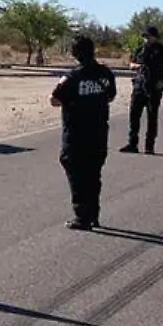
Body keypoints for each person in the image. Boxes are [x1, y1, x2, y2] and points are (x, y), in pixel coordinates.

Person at [51, 35, 117, 230]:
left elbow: (55, 99)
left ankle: (82, 216)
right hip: (98, 131)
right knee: (93, 174)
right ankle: (93, 214)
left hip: (76, 134)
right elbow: (111, 96)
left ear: (74, 54)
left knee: (77, 173)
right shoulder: (106, 74)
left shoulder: (72, 76)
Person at [122, 25, 163, 154]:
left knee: (152, 116)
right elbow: (131, 64)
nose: (146, 39)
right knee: (134, 115)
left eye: (149, 36)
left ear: (155, 37)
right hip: (139, 86)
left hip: (154, 87)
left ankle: (149, 146)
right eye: (145, 37)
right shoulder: (140, 50)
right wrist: (136, 66)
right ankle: (132, 144)